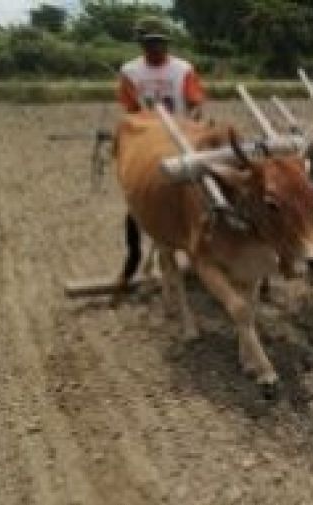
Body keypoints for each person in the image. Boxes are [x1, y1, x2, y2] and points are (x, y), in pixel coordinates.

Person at [115, 17, 207, 302]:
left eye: (160, 42)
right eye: (150, 42)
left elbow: (196, 105)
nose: (156, 47)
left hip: (183, 134)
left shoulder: (183, 69)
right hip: (149, 139)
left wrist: (187, 128)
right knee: (140, 197)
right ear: (141, 43)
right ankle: (135, 256)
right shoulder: (130, 72)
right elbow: (130, 111)